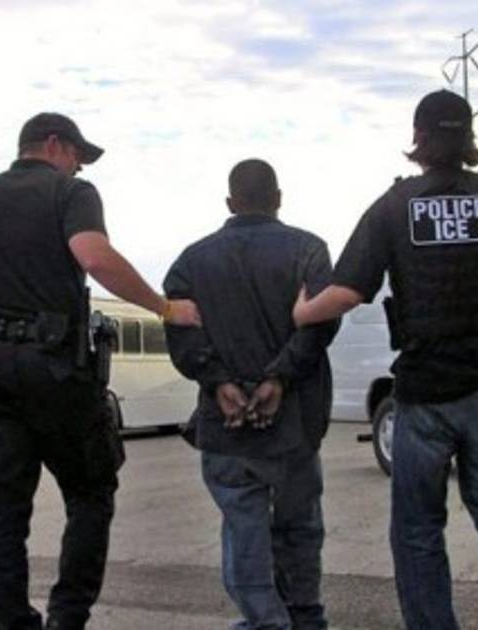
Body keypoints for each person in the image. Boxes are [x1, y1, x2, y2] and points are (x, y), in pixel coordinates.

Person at [292, 90, 478, 630]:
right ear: (469, 139)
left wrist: (302, 312)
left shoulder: (394, 206)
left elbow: (348, 292)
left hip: (424, 394)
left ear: (418, 138)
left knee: (417, 529)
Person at [0, 112, 200, 630]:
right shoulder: (70, 193)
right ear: (54, 145)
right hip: (57, 372)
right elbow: (94, 258)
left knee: (2, 515)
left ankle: (13, 623)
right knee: (90, 493)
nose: (79, 168)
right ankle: (67, 617)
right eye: (78, 156)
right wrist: (165, 308)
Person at [164, 159, 340, 630]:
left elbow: (181, 334)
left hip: (227, 424)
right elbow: (321, 323)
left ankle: (265, 621)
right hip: (295, 420)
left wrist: (219, 382)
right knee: (300, 525)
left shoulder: (191, 261)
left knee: (243, 525)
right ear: (278, 198)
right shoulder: (309, 250)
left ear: (229, 203)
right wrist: (278, 379)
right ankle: (305, 615)